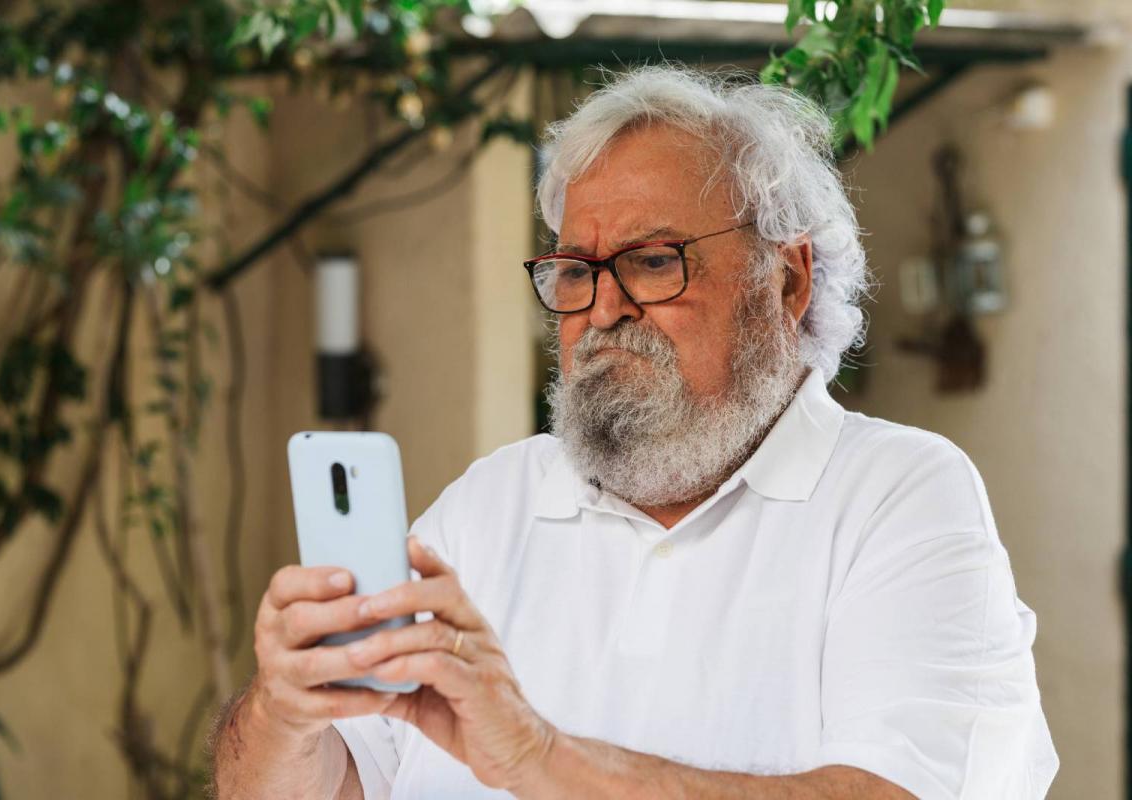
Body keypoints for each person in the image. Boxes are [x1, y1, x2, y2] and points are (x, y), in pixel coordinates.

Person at [210, 65, 1058, 799]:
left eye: (653, 261)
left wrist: (539, 758)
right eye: (576, 271)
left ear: (787, 279)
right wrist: (284, 715)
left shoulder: (895, 496)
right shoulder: (489, 504)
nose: (605, 308)